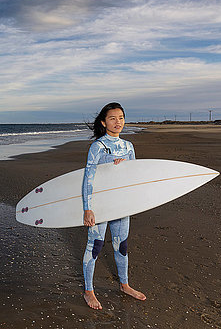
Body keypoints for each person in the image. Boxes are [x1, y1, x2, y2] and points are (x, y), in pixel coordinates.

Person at [82, 102, 146, 310]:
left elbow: (133, 176)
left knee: (122, 245)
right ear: (103, 122)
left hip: (120, 203)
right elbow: (88, 178)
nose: (117, 122)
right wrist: (87, 208)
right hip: (99, 203)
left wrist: (122, 168)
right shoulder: (97, 146)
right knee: (96, 246)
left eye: (120, 118)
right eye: (112, 118)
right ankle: (89, 291)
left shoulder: (129, 147)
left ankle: (125, 285)